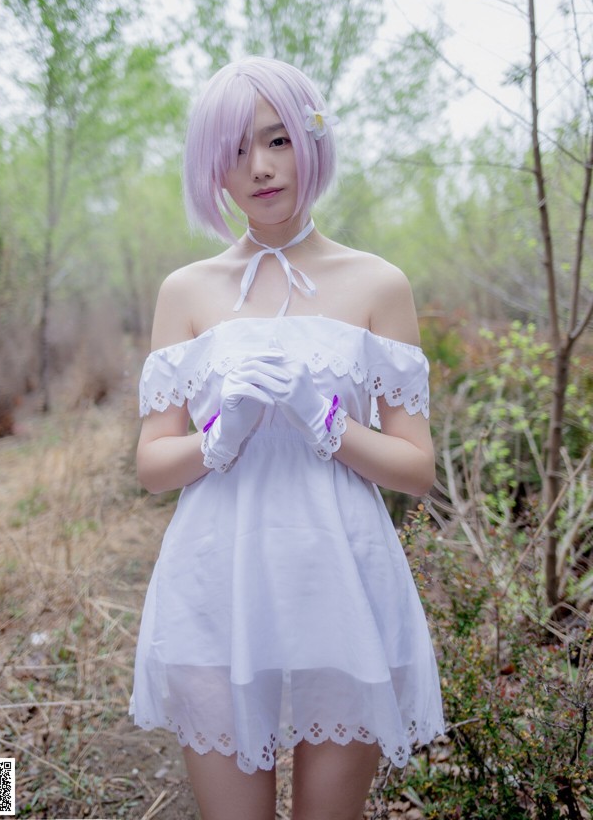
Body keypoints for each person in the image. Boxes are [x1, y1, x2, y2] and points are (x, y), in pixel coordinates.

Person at [130, 56, 445, 820]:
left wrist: (331, 425)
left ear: (311, 144)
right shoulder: (187, 290)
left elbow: (417, 468)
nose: (261, 168)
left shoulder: (378, 283)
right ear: (213, 167)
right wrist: (217, 440)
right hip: (216, 576)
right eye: (235, 150)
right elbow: (149, 464)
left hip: (340, 573)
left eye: (276, 141)